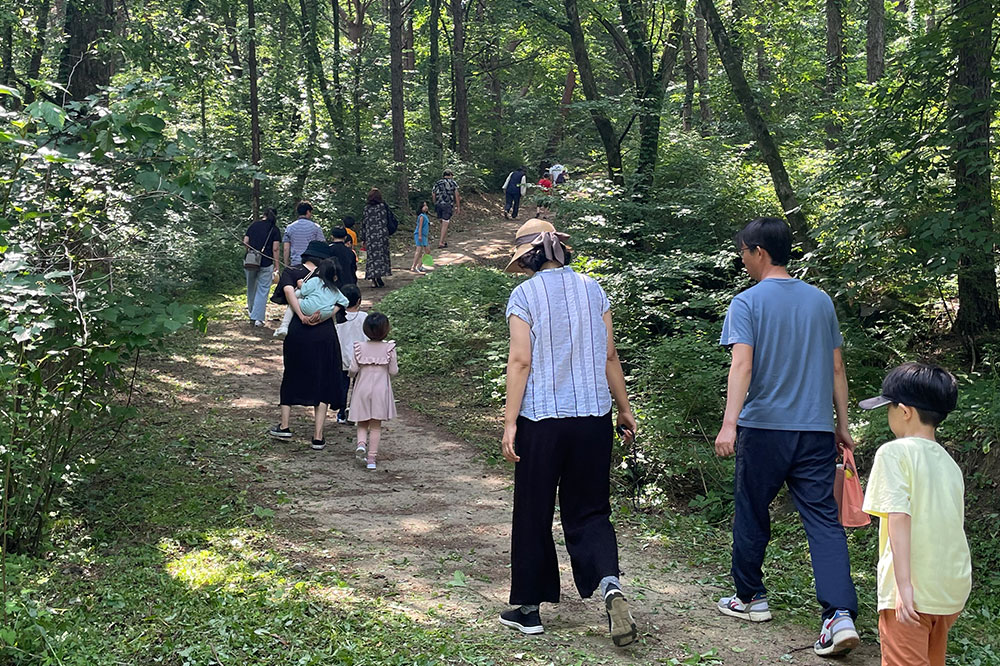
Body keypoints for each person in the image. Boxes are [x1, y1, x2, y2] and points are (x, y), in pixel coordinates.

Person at [714, 217, 858, 657]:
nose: (741, 259)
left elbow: (742, 366)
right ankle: (839, 615)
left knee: (752, 511)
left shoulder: (747, 303)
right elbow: (836, 368)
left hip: (763, 429)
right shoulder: (820, 302)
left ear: (759, 251)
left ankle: (750, 598)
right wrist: (842, 427)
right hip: (815, 430)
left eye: (742, 251)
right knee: (823, 522)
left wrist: (729, 423)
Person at [498, 218, 638, 648]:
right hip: (593, 418)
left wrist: (509, 422)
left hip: (542, 421)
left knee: (534, 509)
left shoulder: (524, 295)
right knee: (591, 509)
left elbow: (521, 361)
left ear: (529, 257)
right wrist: (625, 409)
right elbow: (611, 354)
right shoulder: (594, 290)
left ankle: (528, 610)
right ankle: (610, 584)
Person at [859, 363, 970, 666]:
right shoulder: (949, 463)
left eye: (889, 407)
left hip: (911, 593)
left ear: (905, 411)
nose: (888, 414)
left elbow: (899, 515)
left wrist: (904, 585)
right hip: (950, 590)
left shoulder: (894, 453)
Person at [268, 241, 346, 451]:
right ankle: (318, 436)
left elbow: (289, 294)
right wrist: (322, 317)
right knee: (323, 377)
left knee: (292, 374)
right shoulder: (331, 274)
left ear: (306, 255)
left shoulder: (292, 272)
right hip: (324, 333)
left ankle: (284, 426)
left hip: (298, 333)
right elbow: (343, 300)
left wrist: (302, 316)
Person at [348, 312, 397, 471]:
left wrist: (351, 375)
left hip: (362, 386)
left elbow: (353, 369)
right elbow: (393, 371)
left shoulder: (359, 347)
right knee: (376, 425)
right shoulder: (389, 348)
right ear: (386, 330)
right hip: (381, 389)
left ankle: (361, 444)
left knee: (362, 421)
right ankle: (371, 459)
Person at [243, 207, 281, 327]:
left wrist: (251, 253)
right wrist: (277, 265)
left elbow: (245, 241)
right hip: (266, 262)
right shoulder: (274, 229)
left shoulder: (253, 225)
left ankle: (251, 313)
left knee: (251, 288)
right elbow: (275, 248)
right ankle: (258, 318)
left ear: (263, 214)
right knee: (263, 290)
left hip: (250, 262)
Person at [335, 284, 367, 424]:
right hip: (360, 359)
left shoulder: (337, 317)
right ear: (359, 301)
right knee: (358, 386)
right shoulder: (364, 317)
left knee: (342, 386)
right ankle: (353, 411)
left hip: (342, 359)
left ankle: (341, 412)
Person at [361, 188, 392, 289]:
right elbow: (388, 219)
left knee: (372, 258)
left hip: (370, 236)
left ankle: (373, 279)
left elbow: (364, 223)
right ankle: (379, 276)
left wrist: (363, 238)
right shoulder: (382, 207)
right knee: (382, 256)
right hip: (382, 235)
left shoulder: (366, 208)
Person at [283, 201, 326, 267]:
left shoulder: (289, 228)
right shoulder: (316, 227)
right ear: (308, 212)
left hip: (295, 263)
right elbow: (322, 245)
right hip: (312, 264)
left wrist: (286, 264)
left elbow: (286, 248)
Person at [432, 169, 460, 248]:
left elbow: (433, 193)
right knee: (445, 223)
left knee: (443, 223)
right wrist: (458, 206)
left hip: (439, 204)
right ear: (450, 175)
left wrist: (435, 203)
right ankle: (441, 242)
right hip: (447, 205)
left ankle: (444, 240)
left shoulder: (438, 183)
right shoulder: (453, 183)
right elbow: (456, 195)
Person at [410, 201, 431, 273]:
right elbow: (420, 227)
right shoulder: (421, 216)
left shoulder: (425, 216)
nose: (426, 207)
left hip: (424, 236)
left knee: (427, 251)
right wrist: (419, 236)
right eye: (424, 206)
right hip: (420, 235)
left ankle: (420, 265)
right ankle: (414, 266)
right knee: (418, 250)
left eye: (426, 206)